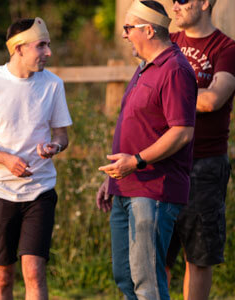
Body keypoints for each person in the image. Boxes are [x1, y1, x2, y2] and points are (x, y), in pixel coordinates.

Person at [96, 1, 197, 299]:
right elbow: (137, 129)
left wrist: (137, 161)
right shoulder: (144, 68)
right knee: (125, 278)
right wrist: (112, 179)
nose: (124, 34)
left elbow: (182, 132)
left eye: (129, 28)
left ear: (149, 30)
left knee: (147, 281)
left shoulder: (175, 70)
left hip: (153, 190)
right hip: (125, 186)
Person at [0, 17, 72, 300]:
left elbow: (62, 135)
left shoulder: (53, 84)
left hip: (40, 192)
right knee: (2, 278)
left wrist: (54, 147)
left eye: (48, 45)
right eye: (41, 45)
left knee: (33, 271)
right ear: (18, 48)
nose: (48, 52)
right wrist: (6, 159)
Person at [165, 1, 235, 299]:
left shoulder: (226, 48)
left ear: (205, 2)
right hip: (165, 158)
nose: (175, 5)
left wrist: (166, 94)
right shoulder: (168, 42)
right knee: (157, 254)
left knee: (198, 257)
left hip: (204, 163)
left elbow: (212, 101)